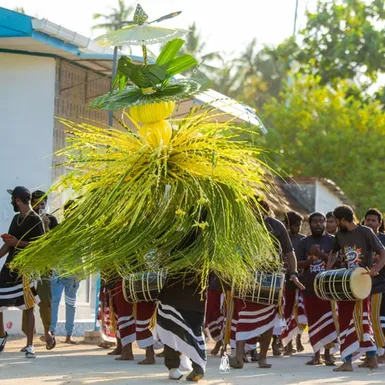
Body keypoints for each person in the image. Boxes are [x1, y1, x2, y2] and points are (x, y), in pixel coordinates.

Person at [230, 199, 304, 369]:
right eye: (251, 209)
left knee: (268, 320)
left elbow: (289, 252)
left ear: (265, 210)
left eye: (257, 209)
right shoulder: (241, 226)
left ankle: (263, 357)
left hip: (272, 279)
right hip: (248, 277)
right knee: (244, 316)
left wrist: (293, 273)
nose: (254, 212)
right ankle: (239, 357)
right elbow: (234, 252)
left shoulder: (276, 226)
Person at [326, 205, 385, 372]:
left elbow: (383, 251)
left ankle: (348, 362)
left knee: (359, 318)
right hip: (346, 282)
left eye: (336, 220)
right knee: (351, 319)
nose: (335, 223)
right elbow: (333, 253)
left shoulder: (366, 232)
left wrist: (376, 269)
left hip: (362, 282)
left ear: (342, 220)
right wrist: (327, 271)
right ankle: (370, 358)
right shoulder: (339, 235)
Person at [156, 211, 208, 382]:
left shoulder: (176, 233)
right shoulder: (208, 239)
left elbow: (161, 254)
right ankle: (198, 365)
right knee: (194, 330)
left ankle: (173, 367)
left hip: (174, 292)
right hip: (196, 294)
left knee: (169, 327)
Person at [0, 186, 45, 357]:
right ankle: (1, 336)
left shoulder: (36, 220)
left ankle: (30, 346)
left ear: (18, 200)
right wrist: (7, 246)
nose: (12, 201)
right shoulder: (15, 218)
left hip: (28, 269)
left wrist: (17, 243)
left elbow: (40, 246)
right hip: (10, 267)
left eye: (13, 199)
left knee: (28, 306)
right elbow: (8, 245)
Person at [297, 212, 337, 365]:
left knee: (330, 321)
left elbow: (340, 262)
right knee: (314, 323)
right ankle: (316, 355)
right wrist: (310, 260)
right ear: (310, 223)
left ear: (325, 223)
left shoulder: (333, 241)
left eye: (321, 221)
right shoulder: (304, 242)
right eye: (315, 221)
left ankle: (329, 354)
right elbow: (297, 263)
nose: (318, 224)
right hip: (309, 288)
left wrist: (321, 254)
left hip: (328, 289)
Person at [21, 190, 57, 351]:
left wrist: (47, 226)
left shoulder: (52, 219)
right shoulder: (27, 220)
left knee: (45, 301)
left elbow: (55, 244)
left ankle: (48, 333)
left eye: (43, 202)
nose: (40, 205)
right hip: (29, 267)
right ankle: (30, 341)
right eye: (37, 202)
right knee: (27, 303)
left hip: (44, 268)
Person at [49, 200, 80, 344]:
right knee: (54, 302)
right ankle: (51, 332)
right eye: (70, 210)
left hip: (73, 274)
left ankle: (69, 334)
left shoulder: (82, 230)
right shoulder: (59, 229)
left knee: (70, 304)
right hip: (58, 272)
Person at [281, 211, 307, 356]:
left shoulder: (303, 240)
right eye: (296, 225)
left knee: (299, 312)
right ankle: (287, 342)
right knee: (286, 311)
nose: (299, 228)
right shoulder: (281, 239)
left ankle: (298, 339)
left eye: (300, 225)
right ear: (288, 225)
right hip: (285, 281)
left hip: (300, 280)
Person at [363, 208, 385, 363]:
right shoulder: (359, 239)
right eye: (368, 220)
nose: (370, 223)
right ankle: (370, 354)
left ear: (379, 223)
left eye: (373, 220)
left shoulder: (383, 240)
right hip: (362, 286)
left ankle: (382, 351)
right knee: (366, 320)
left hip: (380, 285)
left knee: (377, 319)